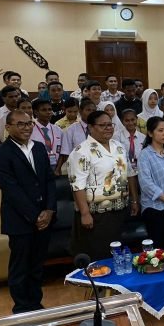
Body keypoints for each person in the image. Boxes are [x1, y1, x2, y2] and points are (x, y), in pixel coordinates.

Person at [0, 110, 56, 314]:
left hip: (44, 218)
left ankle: (36, 303)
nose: (26, 128)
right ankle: (21, 307)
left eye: (29, 124)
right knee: (20, 266)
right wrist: (35, 216)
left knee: (37, 265)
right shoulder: (0, 154)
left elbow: (49, 181)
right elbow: (11, 190)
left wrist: (49, 210)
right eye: (21, 124)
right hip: (20, 220)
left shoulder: (38, 148)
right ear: (8, 127)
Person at [69, 110, 139, 260]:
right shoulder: (81, 151)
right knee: (100, 256)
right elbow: (77, 185)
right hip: (96, 215)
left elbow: (130, 174)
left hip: (120, 210)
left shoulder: (118, 146)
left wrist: (134, 200)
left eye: (110, 125)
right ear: (91, 127)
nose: (108, 128)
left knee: (118, 253)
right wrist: (85, 213)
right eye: (103, 125)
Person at [137, 116, 164, 249]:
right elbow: (145, 182)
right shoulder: (145, 154)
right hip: (154, 207)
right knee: (158, 247)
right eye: (160, 130)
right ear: (150, 133)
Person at [55, 99, 96, 176]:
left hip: (96, 167)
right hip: (78, 168)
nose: (91, 113)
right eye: (88, 110)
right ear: (80, 111)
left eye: (93, 110)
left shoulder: (99, 127)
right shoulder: (71, 129)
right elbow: (65, 152)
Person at [30, 99, 64, 172]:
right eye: (44, 110)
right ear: (36, 112)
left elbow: (63, 151)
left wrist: (58, 168)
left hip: (56, 168)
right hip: (37, 169)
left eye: (50, 109)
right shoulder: (30, 130)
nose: (48, 112)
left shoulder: (58, 130)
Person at [114, 109, 146, 174]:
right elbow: (117, 156)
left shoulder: (143, 137)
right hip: (123, 171)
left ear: (137, 119)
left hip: (140, 171)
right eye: (127, 120)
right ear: (122, 121)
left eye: (133, 119)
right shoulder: (116, 136)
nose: (130, 123)